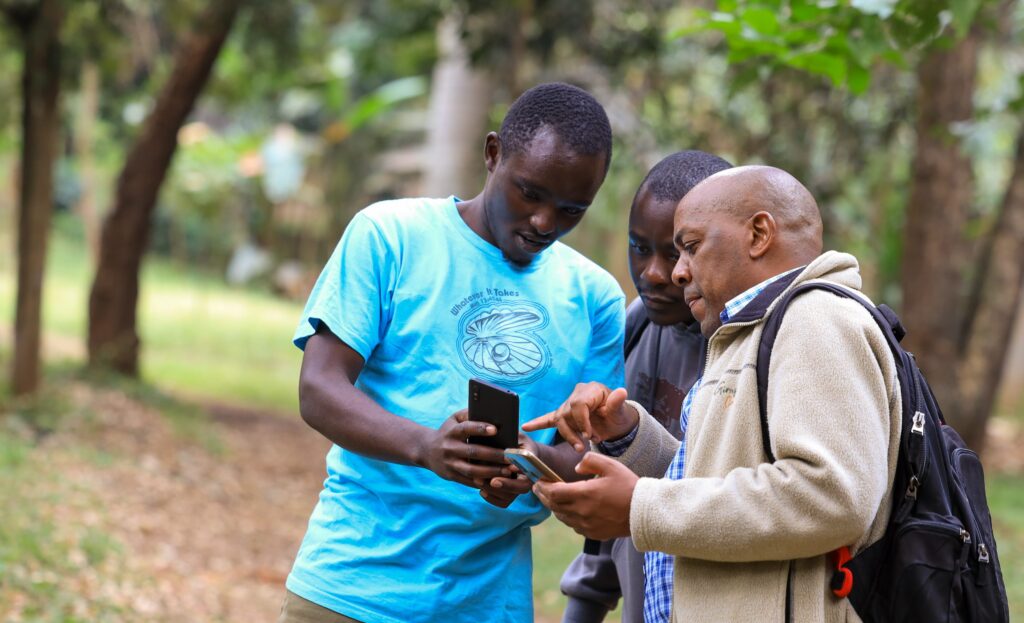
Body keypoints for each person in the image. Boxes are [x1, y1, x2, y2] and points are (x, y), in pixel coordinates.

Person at [277, 82, 626, 623]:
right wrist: (426, 447)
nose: (544, 223)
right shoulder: (391, 236)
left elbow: (589, 464)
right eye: (529, 193)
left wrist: (531, 468)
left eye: (571, 210)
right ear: (492, 154)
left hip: (489, 605)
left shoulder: (596, 298)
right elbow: (319, 389)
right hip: (350, 591)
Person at [525, 165, 902, 622]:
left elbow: (831, 496)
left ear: (759, 234)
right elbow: (720, 481)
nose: (676, 272)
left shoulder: (816, 320)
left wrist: (641, 508)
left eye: (690, 247)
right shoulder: (749, 333)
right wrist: (630, 435)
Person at [558, 150, 732, 623]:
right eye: (639, 248)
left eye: (676, 251)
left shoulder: (755, 351)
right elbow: (607, 532)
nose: (655, 274)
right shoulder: (634, 328)